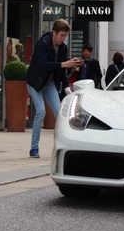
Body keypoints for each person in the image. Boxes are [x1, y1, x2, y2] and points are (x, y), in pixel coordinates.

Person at [25, 19, 83, 158]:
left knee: (60, 113)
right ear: (54, 33)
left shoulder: (63, 48)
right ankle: (34, 148)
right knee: (41, 111)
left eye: (65, 36)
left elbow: (61, 72)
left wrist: (67, 89)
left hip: (49, 83)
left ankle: (60, 147)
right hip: (35, 82)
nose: (63, 39)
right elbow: (44, 65)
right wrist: (64, 64)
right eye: (61, 35)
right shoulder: (42, 44)